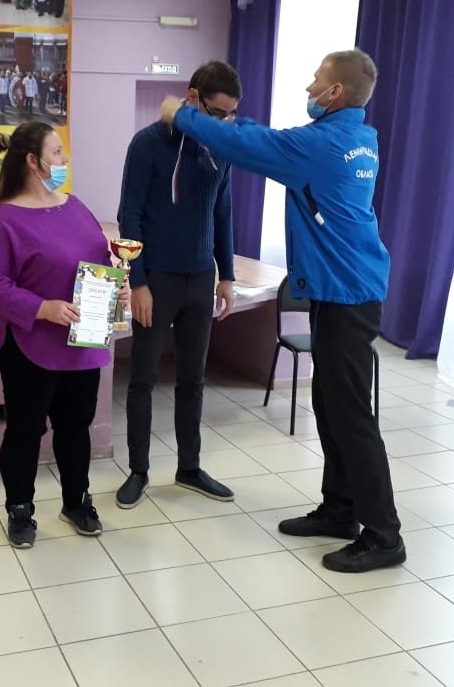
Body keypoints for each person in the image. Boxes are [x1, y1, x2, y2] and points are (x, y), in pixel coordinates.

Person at [160, 49, 404, 574]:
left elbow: (255, 148)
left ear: (335, 92)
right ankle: (340, 510)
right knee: (330, 406)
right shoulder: (359, 136)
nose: (309, 87)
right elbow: (272, 140)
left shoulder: (323, 144)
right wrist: (236, 124)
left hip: (347, 295)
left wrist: (183, 116)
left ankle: (384, 536)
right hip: (345, 289)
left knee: (352, 417)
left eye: (317, 80)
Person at [0, 122, 130, 549]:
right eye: (57, 152)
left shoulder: (75, 206)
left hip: (83, 341)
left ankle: (76, 501)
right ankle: (19, 508)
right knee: (25, 430)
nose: (64, 160)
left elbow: (99, 258)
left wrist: (117, 285)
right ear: (33, 161)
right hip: (31, 345)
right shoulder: (5, 219)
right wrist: (41, 308)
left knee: (76, 426)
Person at [115, 60, 239, 511]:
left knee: (193, 379)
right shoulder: (147, 143)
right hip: (157, 280)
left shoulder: (220, 148)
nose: (223, 122)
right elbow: (129, 215)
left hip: (200, 280)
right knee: (143, 380)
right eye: (217, 113)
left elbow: (222, 214)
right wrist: (139, 282)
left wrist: (227, 275)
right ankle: (139, 470)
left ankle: (189, 467)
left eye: (230, 115)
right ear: (192, 98)